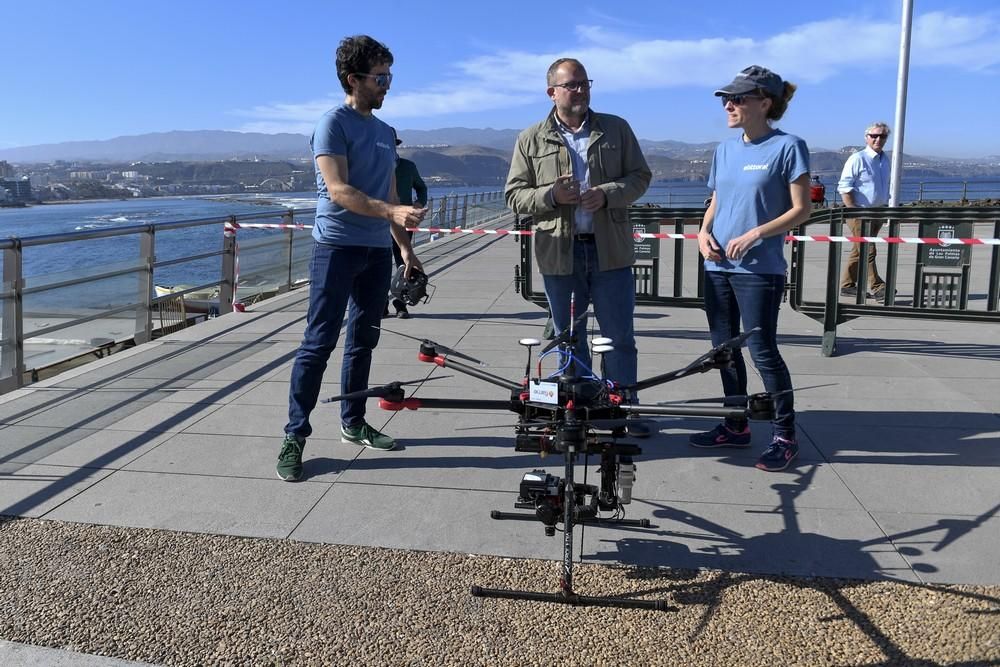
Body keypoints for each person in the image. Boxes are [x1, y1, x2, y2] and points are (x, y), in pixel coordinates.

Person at [276, 35, 427, 482]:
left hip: (376, 251)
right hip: (336, 249)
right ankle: (295, 435)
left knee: (364, 339)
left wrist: (405, 249)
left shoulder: (384, 133)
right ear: (353, 79)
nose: (387, 86)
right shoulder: (332, 124)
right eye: (380, 78)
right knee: (318, 343)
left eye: (389, 77)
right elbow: (339, 190)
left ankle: (353, 422)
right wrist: (391, 212)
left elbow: (392, 195)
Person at [505, 57, 651, 411]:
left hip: (610, 253)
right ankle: (580, 411)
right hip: (560, 254)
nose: (581, 90)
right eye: (572, 85)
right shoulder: (531, 139)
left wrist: (607, 194)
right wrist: (551, 196)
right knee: (569, 339)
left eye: (585, 83)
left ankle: (621, 408)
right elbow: (514, 195)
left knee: (618, 338)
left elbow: (640, 178)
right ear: (551, 92)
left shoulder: (616, 129)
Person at [689, 65, 811, 472]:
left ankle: (784, 435)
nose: (729, 105)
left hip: (760, 269)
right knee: (724, 352)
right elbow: (717, 201)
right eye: (727, 98)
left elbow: (801, 209)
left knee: (762, 351)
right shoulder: (724, 150)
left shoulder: (788, 147)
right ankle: (734, 424)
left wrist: (757, 233)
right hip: (718, 265)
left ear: (765, 103)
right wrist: (703, 233)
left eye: (738, 98)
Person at [838, 122, 892, 300]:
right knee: (868, 249)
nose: (878, 139)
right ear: (866, 137)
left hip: (877, 212)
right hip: (860, 212)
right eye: (874, 136)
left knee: (858, 249)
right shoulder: (858, 158)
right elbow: (844, 186)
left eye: (882, 136)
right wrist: (853, 210)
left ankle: (847, 285)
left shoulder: (885, 159)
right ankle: (878, 287)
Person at [385, 127, 427, 319]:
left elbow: (421, 188)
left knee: (403, 263)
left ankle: (401, 303)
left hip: (404, 223)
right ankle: (381, 303)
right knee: (380, 264)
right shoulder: (376, 167)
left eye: (392, 145)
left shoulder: (408, 167)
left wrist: (418, 204)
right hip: (378, 223)